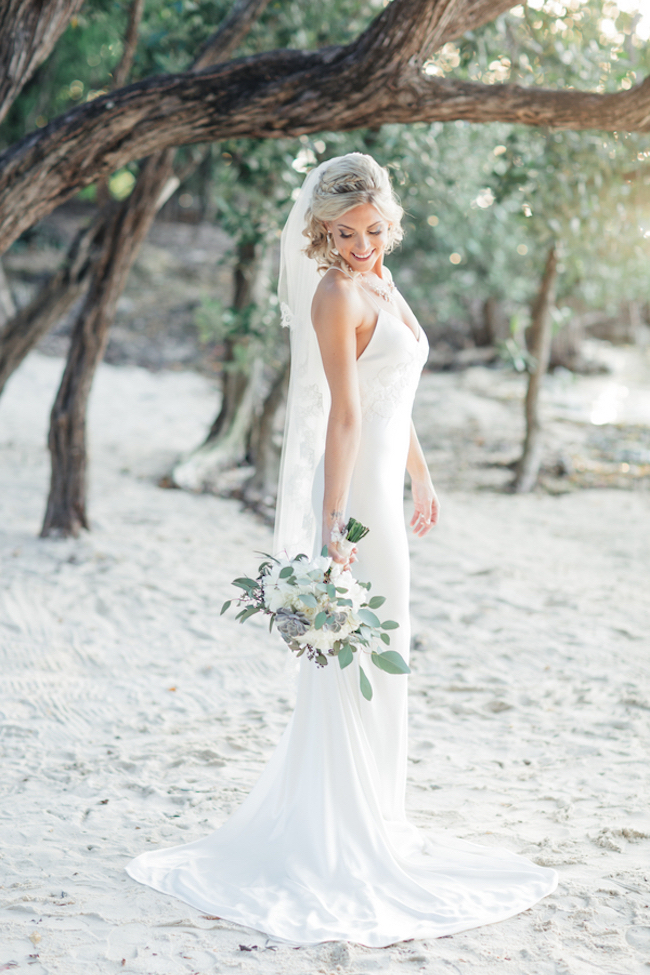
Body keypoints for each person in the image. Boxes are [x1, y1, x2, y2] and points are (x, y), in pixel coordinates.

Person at [126, 153, 557, 946]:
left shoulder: (384, 282)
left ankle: (380, 813)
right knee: (361, 650)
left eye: (373, 229)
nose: (362, 243)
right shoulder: (333, 294)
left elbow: (398, 398)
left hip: (388, 489)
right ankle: (345, 827)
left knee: (389, 647)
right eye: (347, 231)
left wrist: (422, 477)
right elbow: (345, 417)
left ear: (388, 222)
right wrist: (334, 530)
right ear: (322, 228)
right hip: (356, 495)